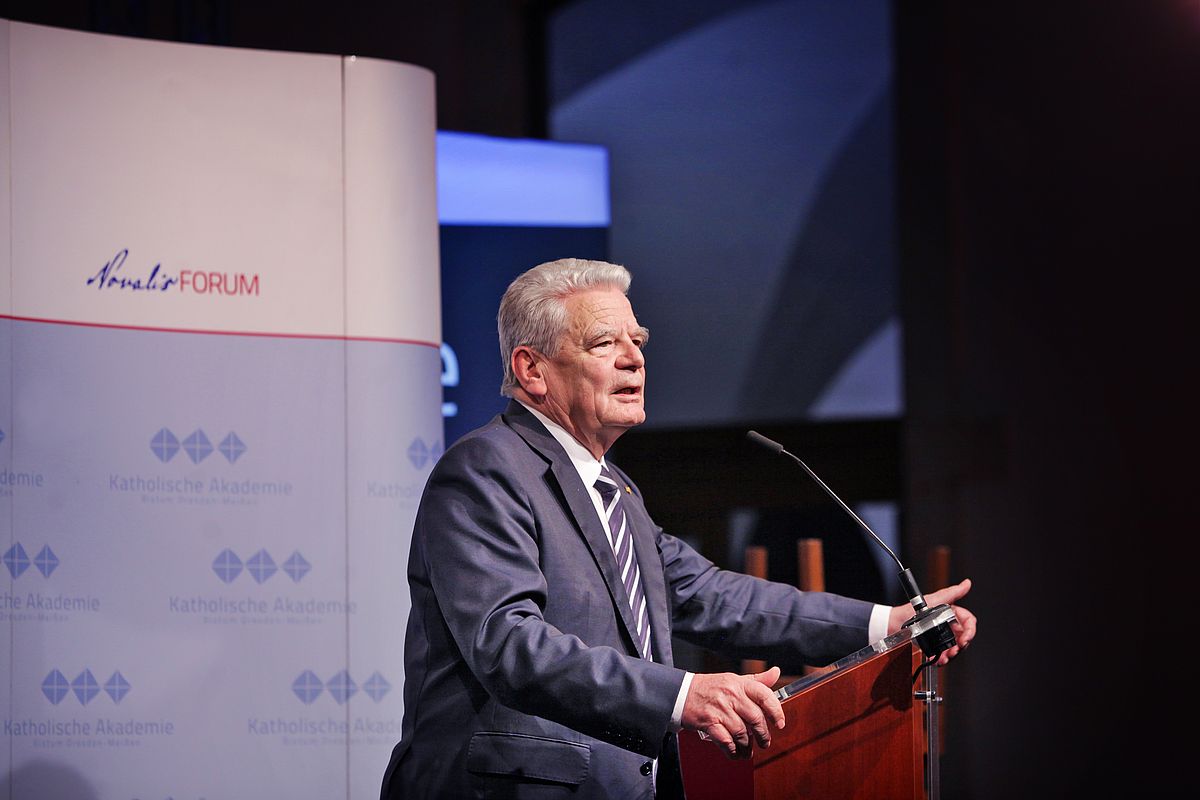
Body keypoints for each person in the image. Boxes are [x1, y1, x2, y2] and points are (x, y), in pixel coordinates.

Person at [380, 258, 976, 799]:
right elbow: (508, 644)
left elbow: (712, 595)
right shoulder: (485, 469)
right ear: (531, 369)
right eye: (604, 343)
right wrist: (684, 694)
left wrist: (885, 623)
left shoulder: (615, 490)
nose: (634, 358)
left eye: (637, 341)